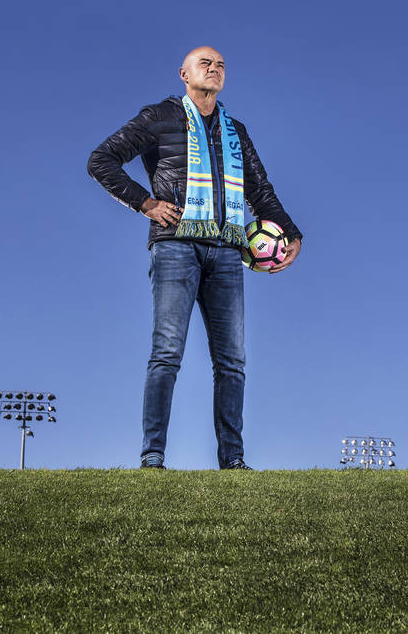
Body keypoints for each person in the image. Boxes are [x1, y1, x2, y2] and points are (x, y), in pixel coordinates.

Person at [87, 46, 302, 470]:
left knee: (232, 361)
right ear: (183, 74)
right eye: (205, 63)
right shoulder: (158, 117)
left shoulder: (236, 130)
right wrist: (145, 203)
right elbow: (101, 160)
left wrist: (290, 232)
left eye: (221, 65)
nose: (214, 68)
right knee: (167, 352)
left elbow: (259, 190)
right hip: (175, 246)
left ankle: (233, 461)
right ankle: (153, 456)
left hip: (227, 251)